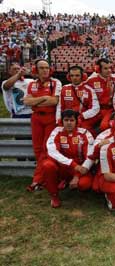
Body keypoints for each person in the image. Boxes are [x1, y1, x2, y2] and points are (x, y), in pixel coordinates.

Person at [42, 109, 94, 208]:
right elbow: (52, 151)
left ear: (77, 121)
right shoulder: (56, 132)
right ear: (62, 122)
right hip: (63, 168)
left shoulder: (85, 133)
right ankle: (54, 196)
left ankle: (69, 181)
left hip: (80, 168)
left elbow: (90, 156)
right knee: (47, 165)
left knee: (84, 185)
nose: (69, 123)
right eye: (66, 120)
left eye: (72, 120)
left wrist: (77, 175)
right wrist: (73, 165)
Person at [24, 59, 62, 191]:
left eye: (47, 67)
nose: (45, 70)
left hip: (50, 118)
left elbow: (54, 101)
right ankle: (44, 178)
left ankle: (37, 180)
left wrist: (35, 101)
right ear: (36, 70)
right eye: (42, 68)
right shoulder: (32, 84)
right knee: (37, 149)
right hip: (36, 118)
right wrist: (43, 98)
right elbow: (26, 101)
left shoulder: (55, 82)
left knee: (46, 149)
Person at [56, 65, 100, 135]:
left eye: (77, 75)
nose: (74, 78)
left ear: (82, 76)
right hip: (67, 120)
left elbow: (95, 108)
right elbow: (60, 107)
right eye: (72, 75)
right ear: (69, 77)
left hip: (83, 120)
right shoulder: (64, 88)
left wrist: (82, 116)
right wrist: (58, 119)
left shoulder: (89, 90)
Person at [85, 58, 115, 131]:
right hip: (95, 109)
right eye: (106, 68)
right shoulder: (91, 80)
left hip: (110, 109)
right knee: (83, 124)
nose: (109, 70)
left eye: (110, 68)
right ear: (98, 69)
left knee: (104, 126)